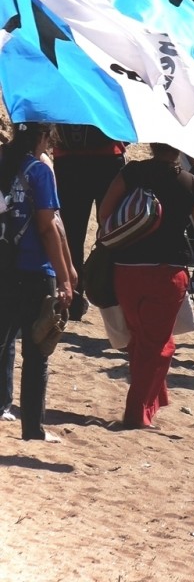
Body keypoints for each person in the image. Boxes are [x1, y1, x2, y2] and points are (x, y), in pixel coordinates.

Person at [98, 143, 194, 429]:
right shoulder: (191, 183)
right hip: (167, 273)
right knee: (158, 345)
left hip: (125, 268)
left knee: (139, 338)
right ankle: (136, 413)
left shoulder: (132, 172)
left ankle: (155, 398)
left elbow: (104, 212)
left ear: (152, 145)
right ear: (179, 148)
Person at [0, 122, 74, 442]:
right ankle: (32, 429)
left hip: (5, 266)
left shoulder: (4, 162)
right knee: (37, 352)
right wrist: (63, 275)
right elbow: (48, 227)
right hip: (34, 270)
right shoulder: (39, 172)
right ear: (44, 137)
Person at [53, 124, 126, 320]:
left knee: (71, 235)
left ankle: (73, 302)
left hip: (68, 159)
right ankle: (111, 300)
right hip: (108, 156)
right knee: (112, 234)